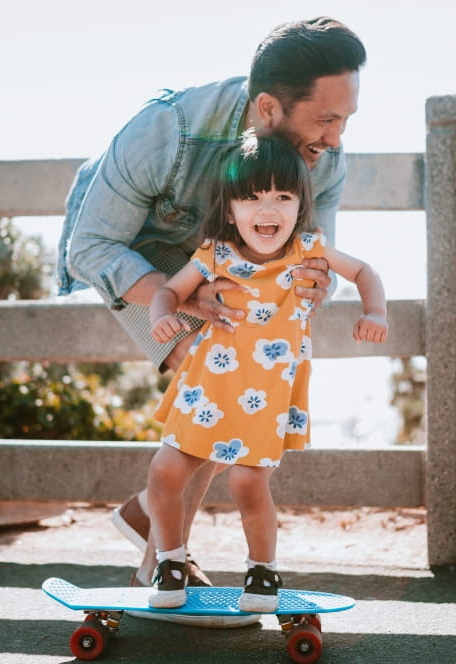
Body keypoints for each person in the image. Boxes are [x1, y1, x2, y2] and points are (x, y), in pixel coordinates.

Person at [57, 16, 367, 624]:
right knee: (217, 371)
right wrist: (179, 299)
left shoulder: (323, 156)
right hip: (133, 251)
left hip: (224, 260)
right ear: (270, 108)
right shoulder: (166, 129)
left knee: (236, 374)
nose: (335, 138)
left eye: (346, 120)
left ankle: (152, 515)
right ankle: (156, 555)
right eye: (326, 119)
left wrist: (316, 282)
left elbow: (311, 259)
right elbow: (90, 246)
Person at [145, 132, 388, 610]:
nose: (267, 210)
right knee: (165, 471)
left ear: (301, 204)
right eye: (251, 198)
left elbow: (364, 272)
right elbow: (167, 293)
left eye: (283, 196)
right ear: (230, 207)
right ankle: (170, 562)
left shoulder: (307, 248)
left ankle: (262, 573)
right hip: (209, 386)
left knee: (246, 482)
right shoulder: (215, 253)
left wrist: (374, 312)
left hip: (266, 393)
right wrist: (162, 316)